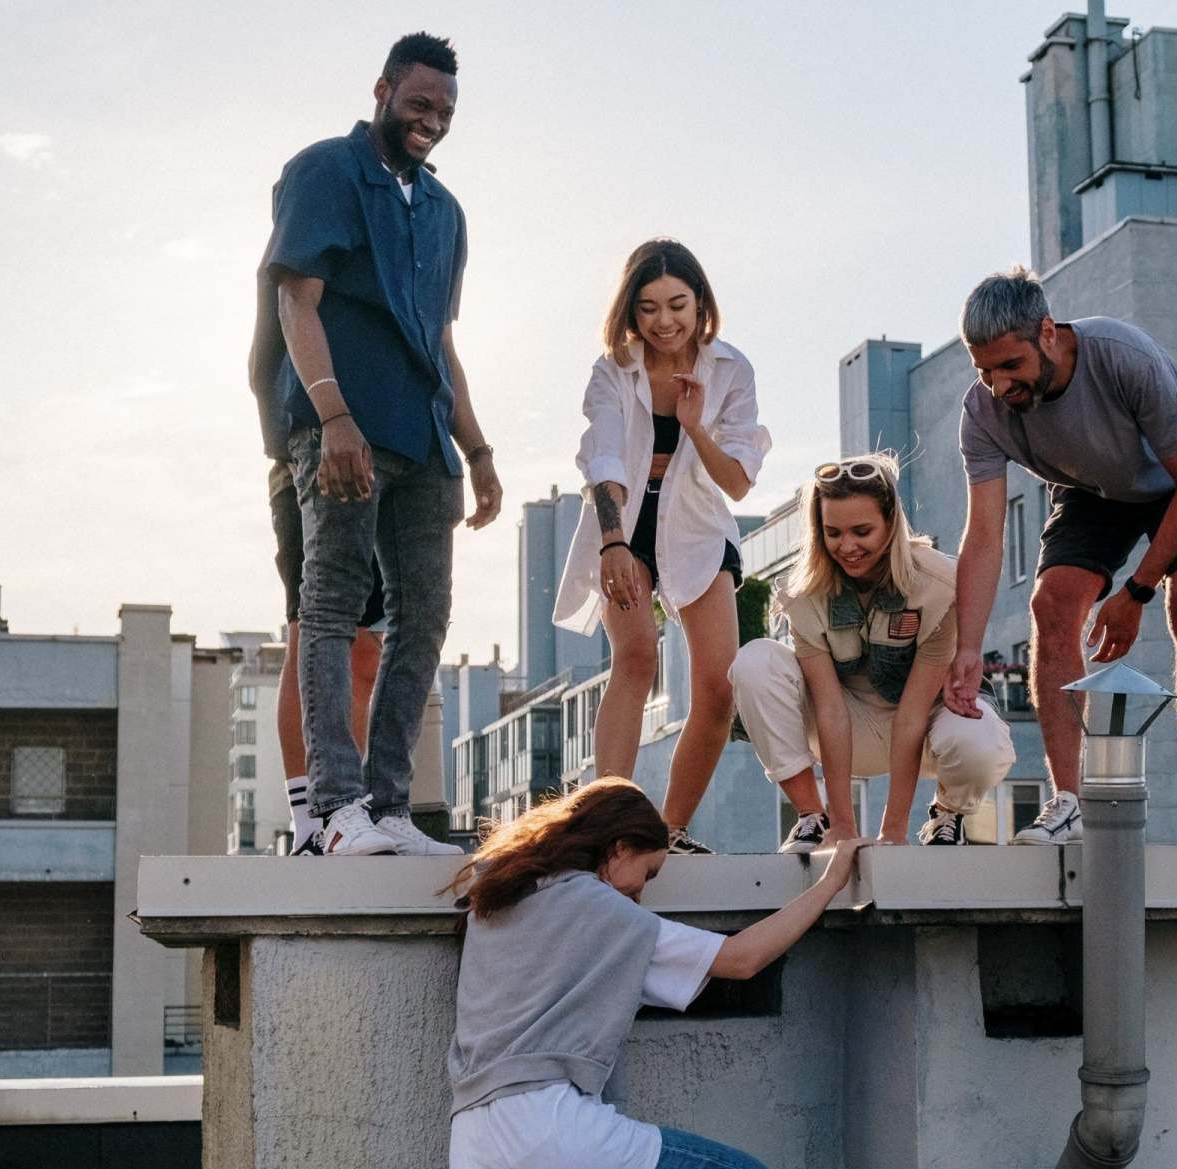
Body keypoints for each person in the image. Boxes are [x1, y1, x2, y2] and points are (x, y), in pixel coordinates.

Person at [249, 32, 502, 856]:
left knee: (423, 620)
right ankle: (332, 810)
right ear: (384, 91)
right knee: (327, 611)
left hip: (424, 442)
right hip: (342, 433)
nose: (432, 120)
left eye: (446, 111)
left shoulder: (445, 211)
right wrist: (332, 418)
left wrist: (479, 449)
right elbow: (298, 301)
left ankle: (390, 809)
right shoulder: (325, 170)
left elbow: (441, 341)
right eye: (420, 103)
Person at [444, 777, 860, 1169]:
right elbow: (741, 959)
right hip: (549, 1135)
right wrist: (830, 884)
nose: (642, 892)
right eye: (649, 871)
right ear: (619, 848)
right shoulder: (601, 908)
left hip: (475, 1162)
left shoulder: (498, 891)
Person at [944, 268, 1177, 847]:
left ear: (1048, 333)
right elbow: (983, 535)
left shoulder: (1122, 358)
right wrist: (969, 648)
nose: (999, 386)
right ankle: (1068, 803)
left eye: (1010, 366)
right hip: (1095, 489)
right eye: (985, 371)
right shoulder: (983, 412)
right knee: (1051, 605)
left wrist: (1135, 593)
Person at [552, 240, 771, 855]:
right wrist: (614, 542)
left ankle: (668, 831)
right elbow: (602, 455)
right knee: (637, 658)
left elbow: (736, 480)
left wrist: (695, 424)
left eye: (678, 303)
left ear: (701, 303)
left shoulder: (731, 370)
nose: (664, 320)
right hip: (623, 524)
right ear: (630, 310)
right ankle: (611, 827)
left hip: (699, 526)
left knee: (718, 686)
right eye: (648, 307)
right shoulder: (612, 370)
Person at [730, 454, 1015, 852]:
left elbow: (913, 714)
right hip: (847, 723)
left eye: (862, 531)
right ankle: (814, 819)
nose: (847, 547)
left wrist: (893, 833)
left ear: (891, 525)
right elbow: (829, 710)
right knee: (756, 660)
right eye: (833, 533)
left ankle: (947, 814)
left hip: (926, 724)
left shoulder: (939, 586)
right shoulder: (803, 593)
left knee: (979, 741)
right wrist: (844, 828)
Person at [264, 460, 382, 855]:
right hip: (308, 466)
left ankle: (355, 809)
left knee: (366, 656)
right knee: (307, 633)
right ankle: (310, 825)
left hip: (379, 470)